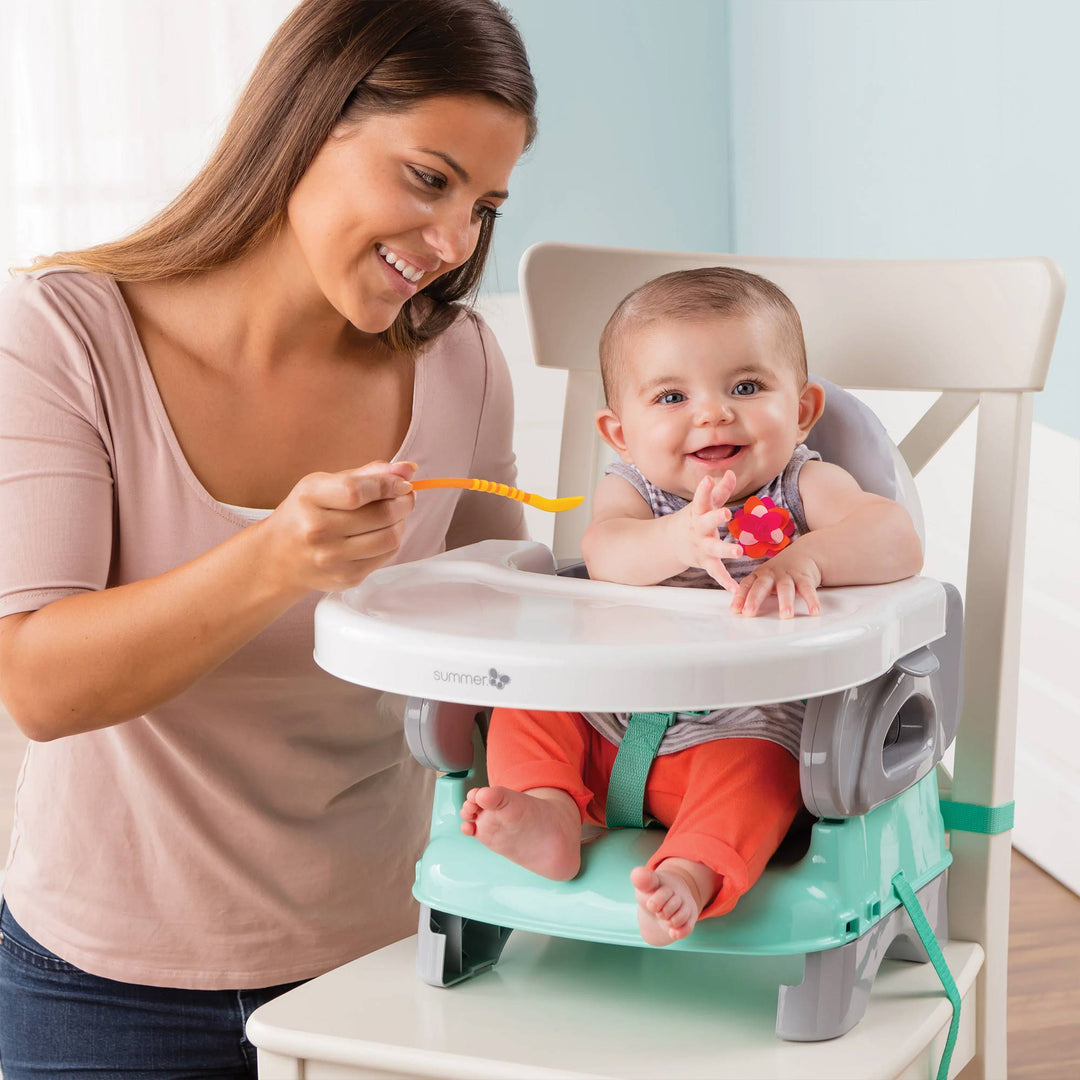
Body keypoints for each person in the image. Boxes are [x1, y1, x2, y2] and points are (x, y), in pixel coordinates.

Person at [0, 1, 536, 1075]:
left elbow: (500, 660)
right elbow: (40, 688)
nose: (453, 244)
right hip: (102, 977)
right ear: (307, 121)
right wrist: (275, 559)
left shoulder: (461, 363)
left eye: (483, 205)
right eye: (429, 179)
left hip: (394, 952)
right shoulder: (67, 334)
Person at [460, 267, 924, 947]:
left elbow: (897, 537)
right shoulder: (635, 492)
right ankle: (548, 812)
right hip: (605, 714)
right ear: (620, 433)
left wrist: (808, 557)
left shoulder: (802, 486)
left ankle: (688, 873)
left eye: (745, 387)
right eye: (672, 395)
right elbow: (606, 552)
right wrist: (674, 538)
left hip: (739, 727)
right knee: (527, 706)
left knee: (762, 774)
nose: (712, 413)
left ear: (800, 410)